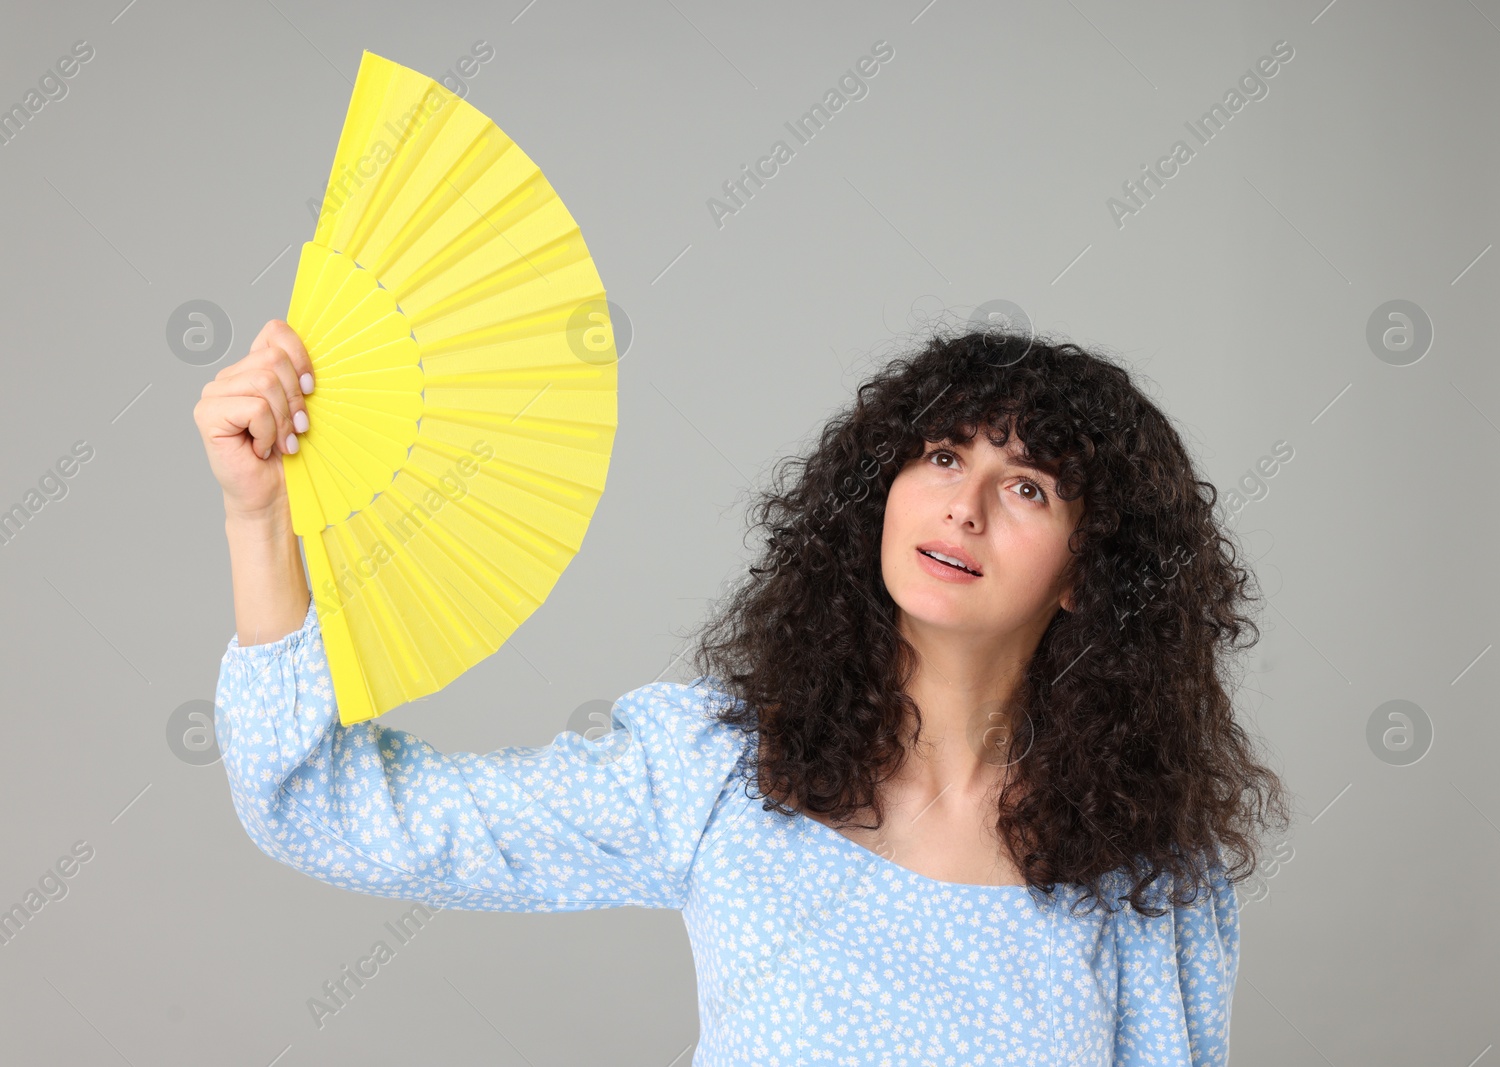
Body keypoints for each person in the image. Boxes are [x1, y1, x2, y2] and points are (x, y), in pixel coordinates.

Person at [195, 318, 1291, 1065]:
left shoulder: (1149, 869)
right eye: (942, 457)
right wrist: (261, 519)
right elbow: (336, 810)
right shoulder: (718, 769)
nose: (964, 506)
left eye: (1029, 485)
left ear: (1088, 572)